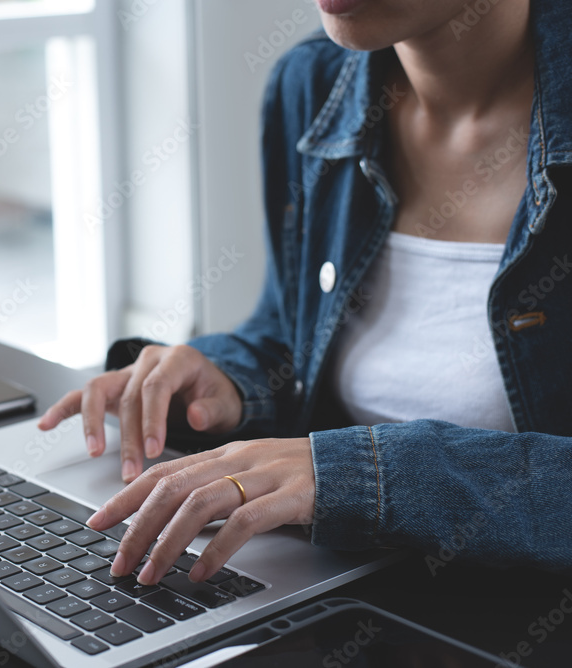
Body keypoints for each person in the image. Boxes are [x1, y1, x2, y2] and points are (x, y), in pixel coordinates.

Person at [37, 0, 572, 587]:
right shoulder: (313, 84)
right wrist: (232, 381)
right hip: (352, 582)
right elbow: (290, 329)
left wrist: (351, 474)